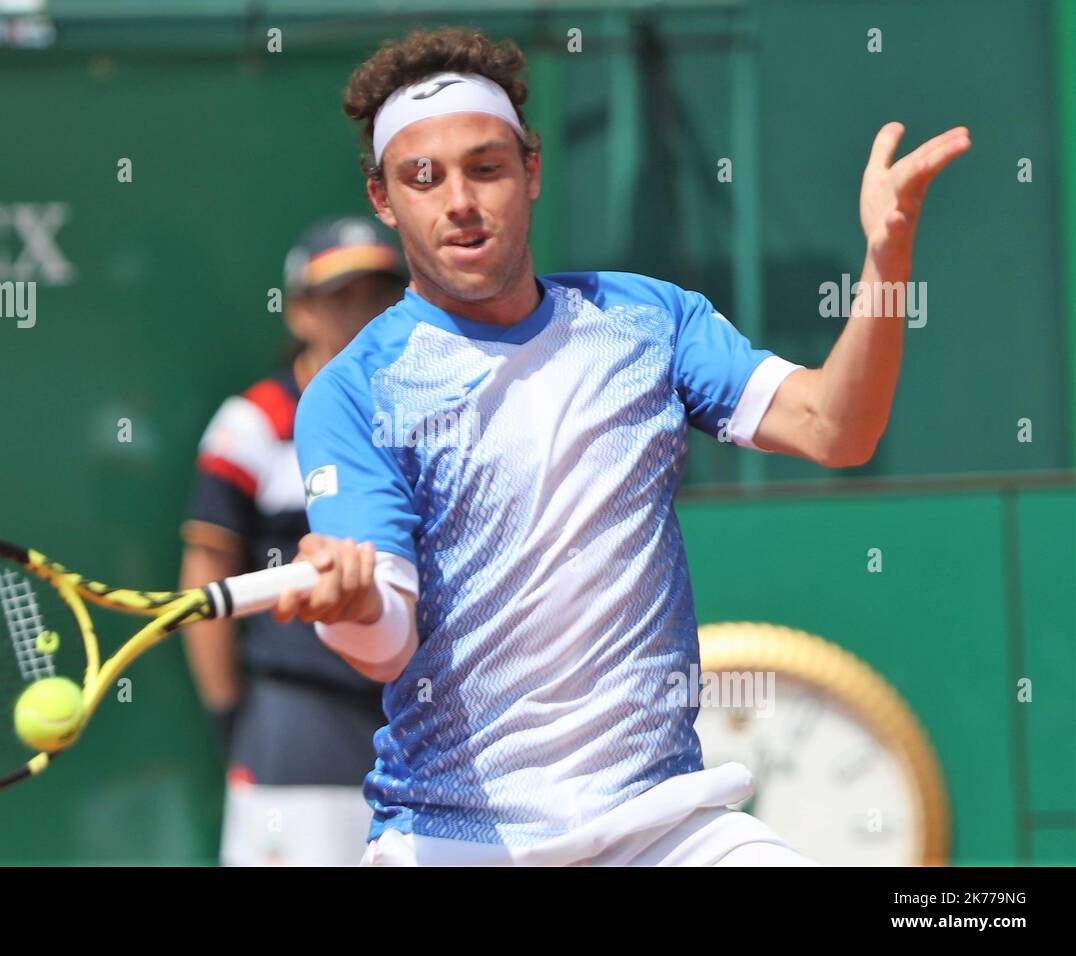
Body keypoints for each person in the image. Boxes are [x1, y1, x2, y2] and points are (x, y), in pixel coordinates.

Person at [272, 27, 970, 866]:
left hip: (663, 826)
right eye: (424, 176)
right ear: (384, 198)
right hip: (456, 840)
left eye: (486, 167)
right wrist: (350, 605)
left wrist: (886, 265)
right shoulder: (355, 390)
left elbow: (837, 427)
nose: (458, 199)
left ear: (531, 172)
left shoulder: (646, 321)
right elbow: (386, 640)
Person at [179, 216, 408, 865]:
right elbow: (206, 571)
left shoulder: (430, 414)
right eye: (342, 297)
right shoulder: (252, 423)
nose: (363, 314)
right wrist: (231, 715)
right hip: (300, 726)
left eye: (378, 295)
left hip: (424, 726)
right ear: (300, 313)